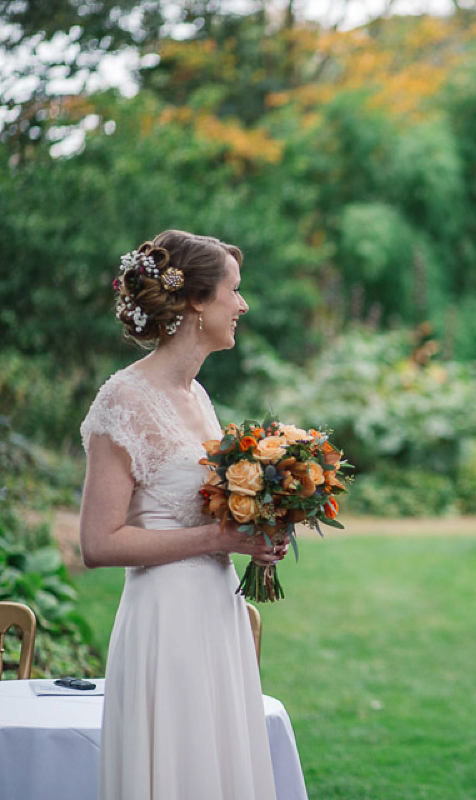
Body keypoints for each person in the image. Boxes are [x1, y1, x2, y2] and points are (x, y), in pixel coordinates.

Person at [79, 230, 285, 800]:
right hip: (165, 622)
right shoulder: (123, 401)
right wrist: (218, 536)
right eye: (234, 291)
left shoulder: (198, 395)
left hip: (218, 614)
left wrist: (255, 527)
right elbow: (98, 542)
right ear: (197, 301)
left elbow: (207, 511)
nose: (242, 305)